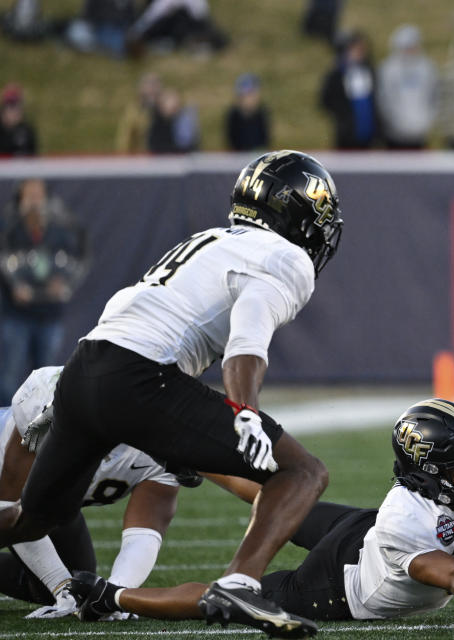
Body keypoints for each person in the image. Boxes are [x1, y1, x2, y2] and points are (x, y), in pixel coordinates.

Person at [0, 150, 346, 639]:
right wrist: (245, 410)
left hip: (84, 368)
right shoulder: (286, 258)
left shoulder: (213, 239)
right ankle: (240, 583)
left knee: (33, 520)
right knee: (304, 470)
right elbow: (248, 336)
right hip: (139, 378)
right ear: (299, 216)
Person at [65, 399, 454, 630]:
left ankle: (183, 455)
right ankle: (109, 596)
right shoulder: (409, 519)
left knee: (278, 497)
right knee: (233, 597)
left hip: (364, 531)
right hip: (339, 582)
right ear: (430, 476)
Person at [0, 366, 182, 620]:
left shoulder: (161, 441)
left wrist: (114, 594)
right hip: (7, 492)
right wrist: (60, 586)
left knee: (79, 582)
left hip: (52, 502)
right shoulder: (39, 402)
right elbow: (10, 509)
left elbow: (145, 530)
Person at [0, 178, 88, 404]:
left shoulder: (61, 225)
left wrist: (65, 282)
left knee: (47, 378)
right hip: (16, 314)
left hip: (49, 314)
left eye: (38, 195)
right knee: (9, 378)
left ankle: (41, 429)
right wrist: (14, 285)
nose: (34, 202)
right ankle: (5, 431)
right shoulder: (9, 224)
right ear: (20, 198)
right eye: (29, 195)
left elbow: (79, 256)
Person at [376, 24, 436, 149]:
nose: (411, 50)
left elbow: (433, 96)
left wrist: (426, 121)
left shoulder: (426, 68)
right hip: (395, 135)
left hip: (419, 132)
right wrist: (395, 122)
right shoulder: (388, 69)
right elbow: (385, 100)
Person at [319, 29, 379, 150]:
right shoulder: (337, 74)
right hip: (346, 135)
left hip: (368, 134)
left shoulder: (369, 71)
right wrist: (343, 117)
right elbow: (326, 100)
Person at [116, 72, 163, 153]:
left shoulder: (165, 108)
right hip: (141, 157)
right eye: (149, 84)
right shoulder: (134, 110)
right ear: (141, 88)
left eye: (156, 83)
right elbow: (125, 138)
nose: (153, 88)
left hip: (163, 157)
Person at [225, 73, 270, 152]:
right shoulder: (233, 115)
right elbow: (232, 140)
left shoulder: (262, 113)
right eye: (246, 96)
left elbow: (265, 139)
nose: (249, 99)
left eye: (252, 95)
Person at [0, 83, 37, 156]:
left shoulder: (27, 131)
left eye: (17, 105)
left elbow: (34, 158)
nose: (14, 110)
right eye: (11, 105)